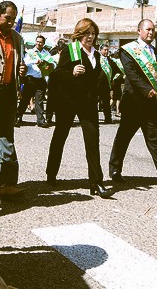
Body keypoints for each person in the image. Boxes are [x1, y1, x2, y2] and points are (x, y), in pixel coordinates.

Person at [107, 19, 157, 191]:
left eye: (153, 30)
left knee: (155, 141)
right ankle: (114, 169)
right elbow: (132, 74)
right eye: (147, 29)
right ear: (139, 31)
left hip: (150, 104)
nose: (151, 32)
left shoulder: (155, 52)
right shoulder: (128, 50)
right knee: (123, 138)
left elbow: (155, 75)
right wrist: (146, 90)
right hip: (133, 102)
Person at [45, 18, 112, 198]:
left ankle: (96, 182)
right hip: (67, 102)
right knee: (60, 136)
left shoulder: (96, 54)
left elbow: (98, 79)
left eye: (93, 33)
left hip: (88, 104)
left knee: (92, 141)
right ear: (79, 34)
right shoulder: (70, 50)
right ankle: (51, 173)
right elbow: (57, 74)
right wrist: (71, 73)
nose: (90, 37)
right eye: (87, 33)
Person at [0, 1, 26, 198]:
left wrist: (21, 69)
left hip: (9, 94)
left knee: (7, 139)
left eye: (13, 19)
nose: (11, 22)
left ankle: (8, 183)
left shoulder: (17, 38)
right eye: (7, 18)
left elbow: (19, 63)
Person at [19, 34, 51, 128]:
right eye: (37, 41)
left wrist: (44, 64)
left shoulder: (46, 54)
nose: (38, 43)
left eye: (40, 42)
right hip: (30, 79)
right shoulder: (30, 52)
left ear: (43, 44)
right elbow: (26, 62)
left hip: (41, 80)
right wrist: (35, 61)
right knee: (25, 99)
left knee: (39, 101)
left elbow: (50, 66)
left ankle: (40, 120)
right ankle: (18, 117)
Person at [97, 43, 118, 123]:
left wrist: (114, 80)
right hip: (97, 83)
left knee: (106, 102)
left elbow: (116, 70)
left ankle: (108, 119)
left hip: (106, 85)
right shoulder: (97, 58)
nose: (106, 52)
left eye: (107, 50)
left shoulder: (110, 60)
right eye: (105, 50)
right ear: (101, 50)